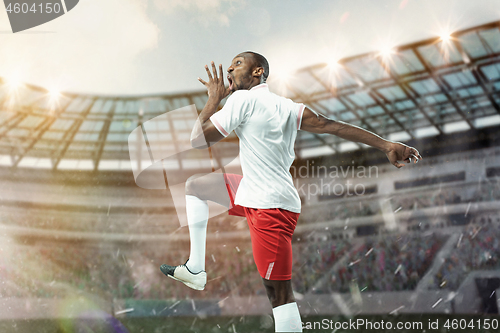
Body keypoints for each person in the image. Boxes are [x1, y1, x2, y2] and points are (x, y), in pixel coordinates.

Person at [160, 51, 422, 332]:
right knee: (196, 186)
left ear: (258, 71)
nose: (230, 70)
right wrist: (385, 145)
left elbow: (198, 140)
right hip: (254, 191)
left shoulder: (242, 99)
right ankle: (195, 269)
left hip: (269, 209)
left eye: (238, 63)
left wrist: (214, 98)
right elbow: (330, 126)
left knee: (280, 298)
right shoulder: (287, 107)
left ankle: (201, 272)